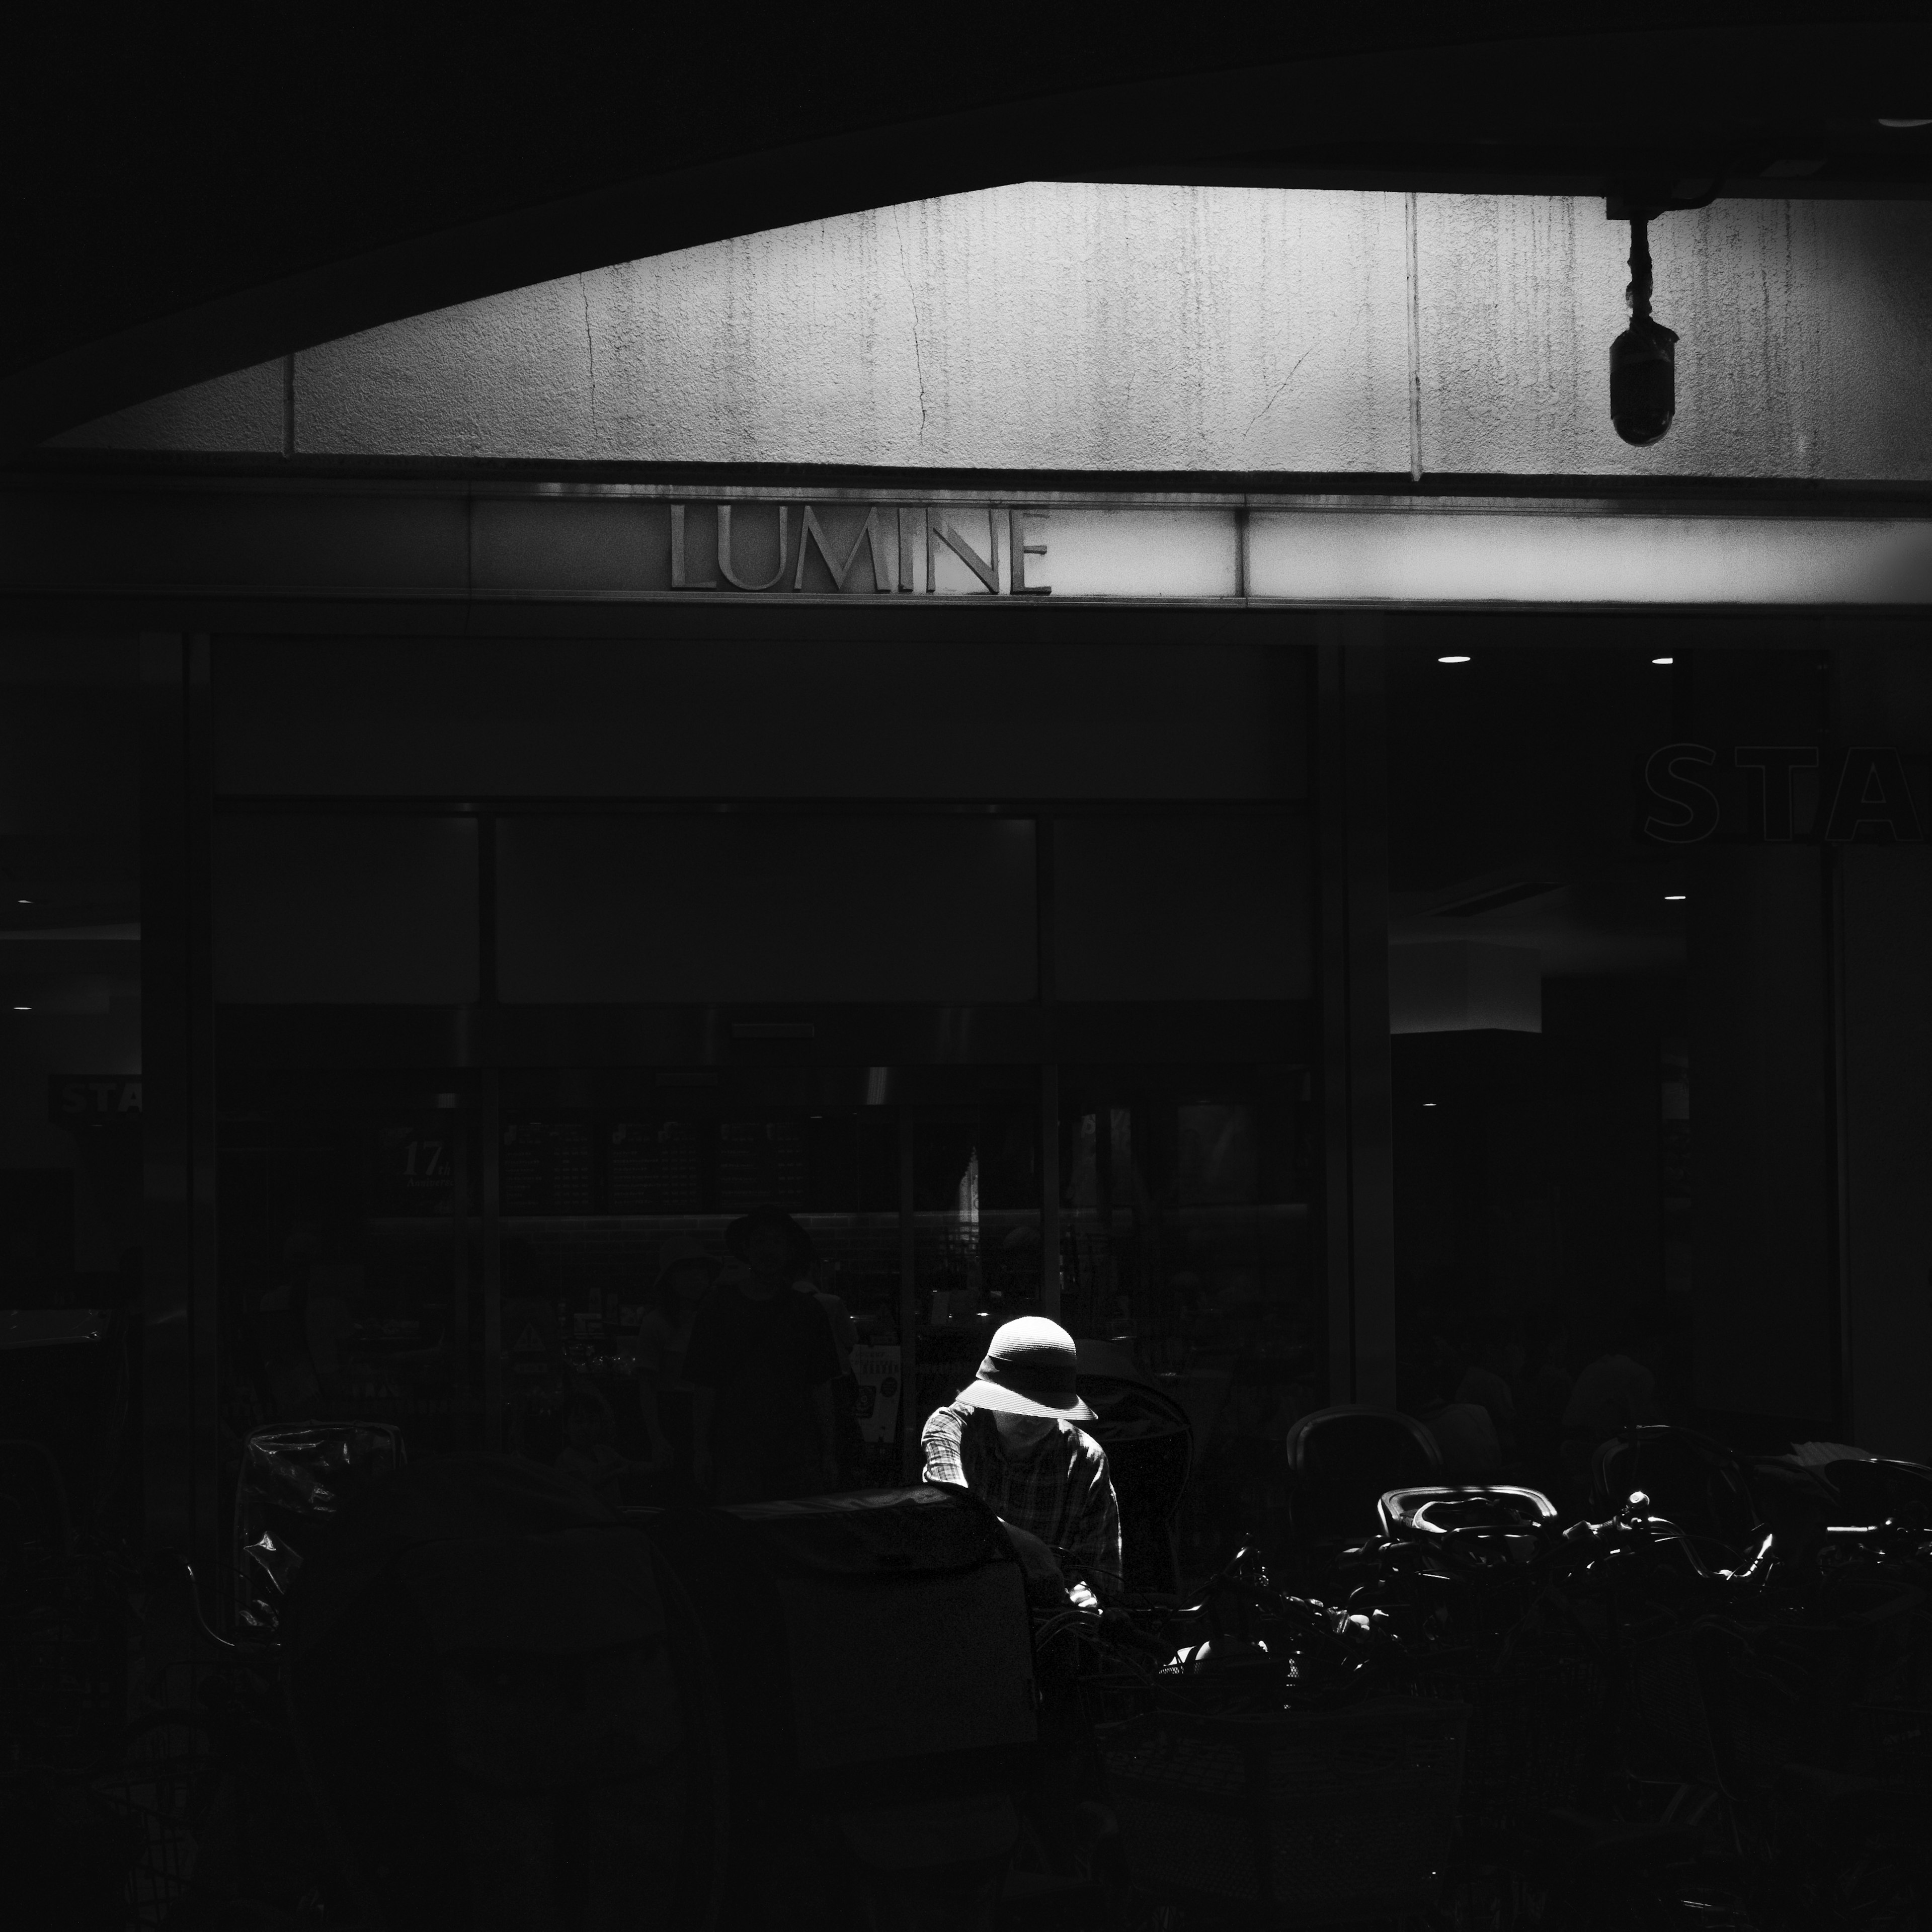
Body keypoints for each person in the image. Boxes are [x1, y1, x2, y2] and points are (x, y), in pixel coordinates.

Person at [920, 1316, 1123, 1608]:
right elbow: (954, 1505)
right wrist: (1026, 1546)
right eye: (1019, 1405)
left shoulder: (1086, 1460)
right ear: (990, 1398)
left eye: (1046, 1407)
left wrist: (1084, 1599)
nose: (1032, 1418)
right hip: (960, 1609)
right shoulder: (952, 1429)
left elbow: (1100, 1579)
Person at [685, 1206, 841, 1504]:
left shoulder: (721, 1308)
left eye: (776, 1242)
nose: (767, 1250)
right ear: (746, 1249)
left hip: (754, 1450)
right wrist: (828, 1454)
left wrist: (701, 1450)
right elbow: (821, 1387)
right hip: (773, 1450)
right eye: (760, 1242)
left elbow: (705, 1385)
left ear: (788, 1251)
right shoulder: (806, 1310)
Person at [634, 1235, 721, 1498]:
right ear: (671, 1279)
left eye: (699, 1269)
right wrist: (656, 1436)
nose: (696, 1277)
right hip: (674, 1415)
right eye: (686, 1270)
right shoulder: (657, 1323)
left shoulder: (715, 1318)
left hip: (711, 1412)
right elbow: (647, 1385)